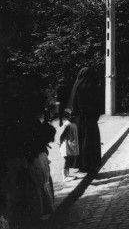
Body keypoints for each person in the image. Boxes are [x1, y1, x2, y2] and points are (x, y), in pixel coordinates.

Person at [3, 86, 56, 228]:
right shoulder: (28, 121)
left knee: (26, 197)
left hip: (29, 162)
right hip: (29, 162)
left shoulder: (24, 120)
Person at [67, 67, 102, 174]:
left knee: (80, 141)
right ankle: (91, 165)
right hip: (90, 119)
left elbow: (72, 104)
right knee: (90, 141)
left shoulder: (76, 87)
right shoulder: (92, 87)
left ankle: (80, 165)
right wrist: (95, 116)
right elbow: (97, 104)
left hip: (79, 119)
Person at [59, 109, 79, 181]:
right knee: (66, 160)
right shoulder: (66, 125)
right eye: (71, 115)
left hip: (70, 145)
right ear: (67, 116)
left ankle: (67, 174)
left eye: (74, 115)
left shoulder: (73, 124)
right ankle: (64, 176)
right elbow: (61, 136)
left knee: (69, 160)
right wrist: (60, 144)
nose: (73, 117)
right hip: (66, 146)